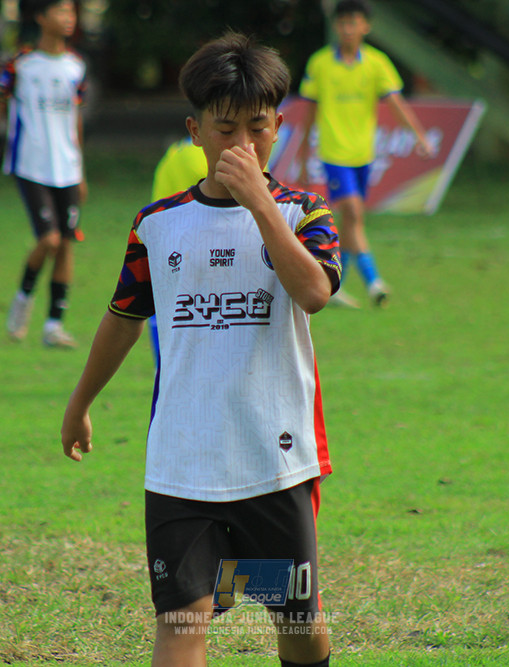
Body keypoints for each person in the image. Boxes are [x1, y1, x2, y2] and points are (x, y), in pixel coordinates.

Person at [61, 32, 339, 667]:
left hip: (274, 458)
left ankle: (259, 598)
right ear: (194, 130)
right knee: (183, 619)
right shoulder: (157, 225)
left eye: (257, 127)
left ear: (279, 129)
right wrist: (80, 403)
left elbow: (314, 292)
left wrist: (260, 206)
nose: (241, 144)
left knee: (297, 622)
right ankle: (206, 592)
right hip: (182, 463)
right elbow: (123, 318)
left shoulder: (303, 213)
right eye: (224, 128)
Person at [0, 0, 88, 349]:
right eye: (60, 12)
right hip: (30, 165)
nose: (67, 19)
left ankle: (53, 327)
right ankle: (21, 303)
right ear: (41, 17)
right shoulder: (19, 64)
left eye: (71, 13)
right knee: (48, 240)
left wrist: (81, 170)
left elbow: (74, 121)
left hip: (66, 168)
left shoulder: (76, 66)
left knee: (66, 243)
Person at [297, 0, 431, 307]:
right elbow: (308, 115)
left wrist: (419, 136)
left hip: (363, 156)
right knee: (354, 214)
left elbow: (396, 103)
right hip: (333, 155)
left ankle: (333, 285)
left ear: (365, 26)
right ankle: (374, 282)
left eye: (353, 22)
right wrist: (304, 157)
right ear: (336, 26)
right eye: (342, 22)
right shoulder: (320, 64)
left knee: (351, 221)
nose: (347, 28)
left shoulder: (376, 63)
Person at [147, 136, 206, 364]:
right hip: (201, 249)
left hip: (164, 244)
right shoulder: (227, 159)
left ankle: (164, 371)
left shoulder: (176, 151)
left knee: (166, 312)